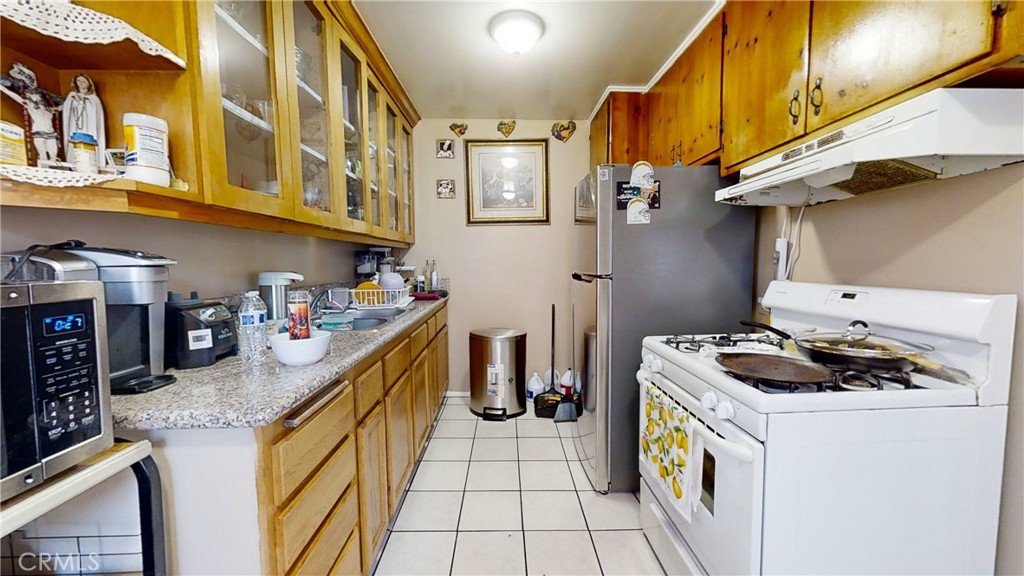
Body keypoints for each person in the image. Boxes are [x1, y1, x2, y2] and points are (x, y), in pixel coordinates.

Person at [0, 62, 63, 165]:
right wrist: (2, 88)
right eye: (32, 94)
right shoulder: (29, 103)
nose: (35, 96)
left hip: (50, 132)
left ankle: (53, 163)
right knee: (42, 156)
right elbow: (13, 96)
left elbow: (62, 107)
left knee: (53, 156)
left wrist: (70, 102)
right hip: (39, 131)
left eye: (37, 94)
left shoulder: (49, 108)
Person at [62, 74, 105, 168]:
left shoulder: (94, 99)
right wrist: (75, 101)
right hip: (76, 125)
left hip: (88, 127)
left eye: (83, 81)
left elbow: (95, 114)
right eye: (79, 81)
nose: (81, 84)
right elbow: (66, 110)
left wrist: (83, 102)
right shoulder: (71, 96)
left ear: (89, 84)